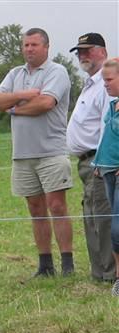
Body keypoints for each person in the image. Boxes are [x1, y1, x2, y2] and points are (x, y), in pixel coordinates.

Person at [0, 28, 74, 277]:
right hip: (22, 154)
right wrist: (23, 95)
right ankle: (45, 265)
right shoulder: (15, 73)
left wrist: (14, 108)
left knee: (57, 206)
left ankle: (67, 264)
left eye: (34, 45)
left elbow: (46, 103)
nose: (29, 49)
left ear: (46, 47)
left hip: (51, 151)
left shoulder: (56, 72)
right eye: (26, 45)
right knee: (35, 209)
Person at [66, 33, 114, 283]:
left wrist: (101, 161)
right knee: (91, 215)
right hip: (86, 161)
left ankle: (109, 274)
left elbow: (108, 125)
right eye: (79, 51)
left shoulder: (107, 84)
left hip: (98, 160)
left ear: (102, 52)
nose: (82, 55)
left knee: (103, 217)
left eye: (87, 50)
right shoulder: (90, 84)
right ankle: (99, 272)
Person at [94, 57, 119, 296]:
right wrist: (97, 162)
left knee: (117, 229)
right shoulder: (113, 106)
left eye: (109, 80)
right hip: (107, 171)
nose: (105, 85)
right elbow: (108, 138)